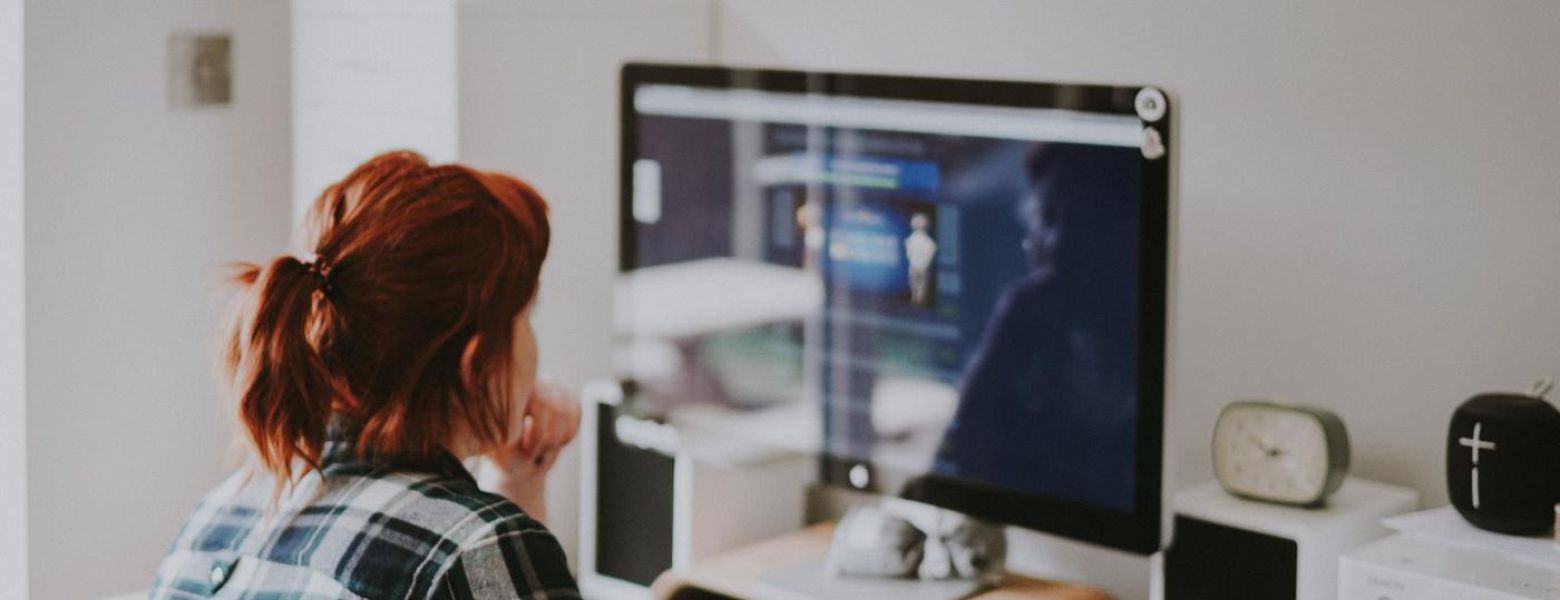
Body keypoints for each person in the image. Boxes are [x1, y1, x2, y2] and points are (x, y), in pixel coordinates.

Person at [148, 151, 583, 599]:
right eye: (527, 315)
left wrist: (517, 480)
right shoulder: (475, 550)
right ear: (478, 362)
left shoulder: (213, 521)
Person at [927, 144, 1141, 510]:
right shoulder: (1026, 336)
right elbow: (951, 479)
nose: (1060, 242)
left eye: (1087, 219)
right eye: (1048, 217)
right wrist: (1000, 351)